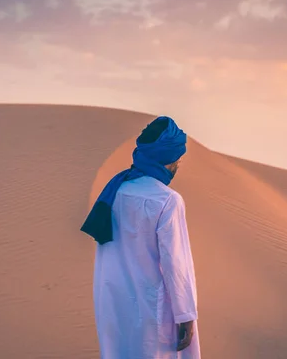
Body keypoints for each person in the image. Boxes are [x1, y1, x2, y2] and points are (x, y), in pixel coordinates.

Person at [81, 116, 200, 358]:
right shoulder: (167, 200)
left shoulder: (116, 190)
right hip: (152, 306)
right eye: (177, 159)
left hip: (112, 301)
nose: (178, 165)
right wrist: (185, 315)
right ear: (167, 159)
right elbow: (175, 262)